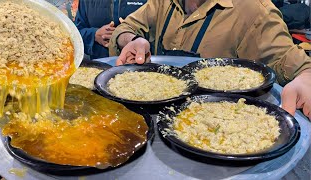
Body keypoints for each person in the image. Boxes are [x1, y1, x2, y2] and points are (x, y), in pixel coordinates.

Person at [109, 0, 311, 119]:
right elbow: (125, 28)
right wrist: (134, 40)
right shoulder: (163, 2)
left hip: (212, 131)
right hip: (153, 117)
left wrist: (306, 77)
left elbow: (293, 62)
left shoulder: (254, 10)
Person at [74, 0, 147, 59]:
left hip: (141, 66)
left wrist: (129, 35)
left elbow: (157, 35)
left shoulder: (152, 3)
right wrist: (94, 35)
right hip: (100, 67)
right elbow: (75, 34)